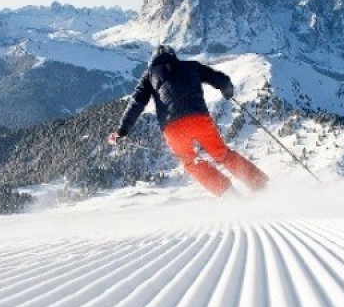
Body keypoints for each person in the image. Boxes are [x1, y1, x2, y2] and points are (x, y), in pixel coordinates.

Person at [108, 45, 268, 196]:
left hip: (173, 128)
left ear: (153, 60)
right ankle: (259, 184)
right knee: (222, 154)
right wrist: (227, 90)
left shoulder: (149, 75)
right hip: (199, 119)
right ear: (173, 56)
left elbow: (137, 103)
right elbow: (219, 79)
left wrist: (123, 130)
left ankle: (226, 193)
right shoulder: (191, 66)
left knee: (191, 162)